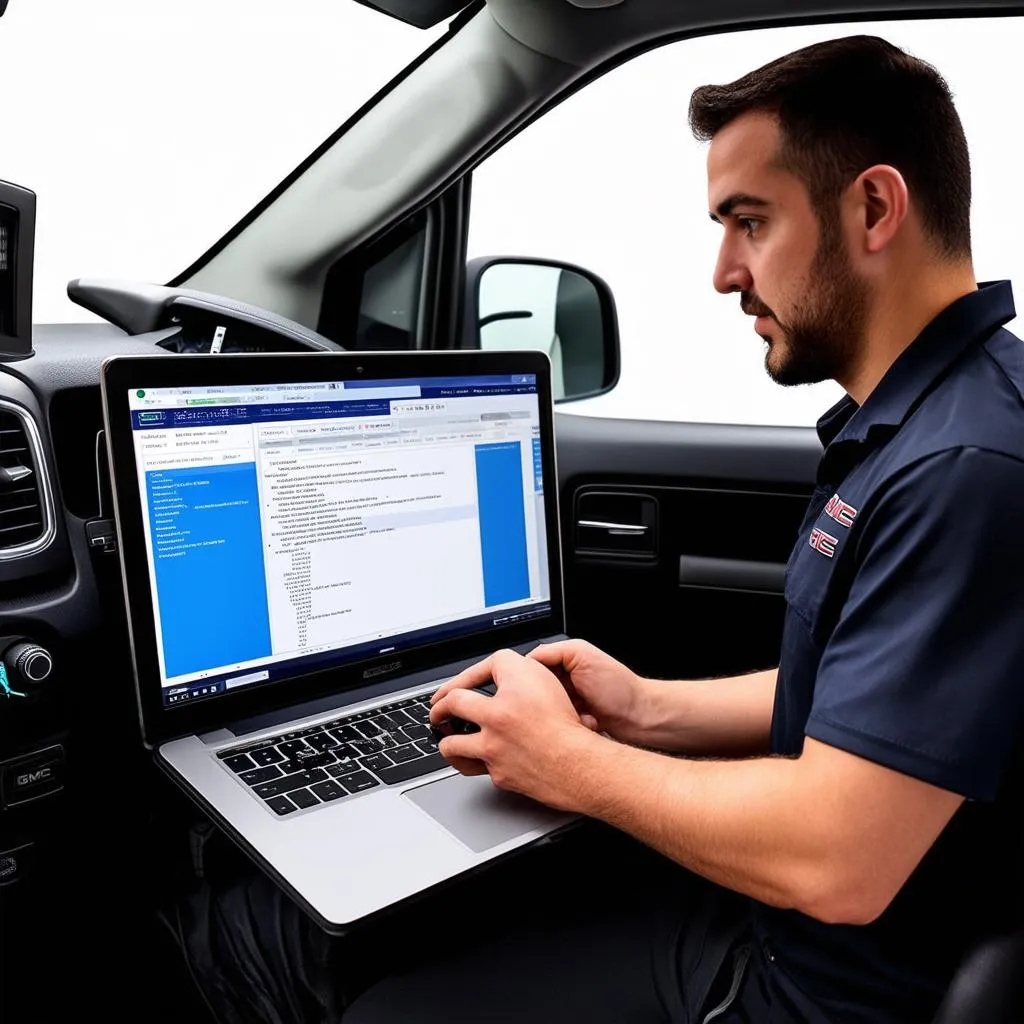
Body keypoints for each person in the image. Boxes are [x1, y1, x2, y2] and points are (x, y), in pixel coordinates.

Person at [169, 34, 1024, 1024]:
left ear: (873, 208)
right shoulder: (945, 417)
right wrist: (646, 710)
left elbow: (837, 863)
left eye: (750, 222)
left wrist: (575, 764)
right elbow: (879, 697)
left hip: (805, 985)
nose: (721, 270)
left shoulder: (961, 468)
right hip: (793, 928)